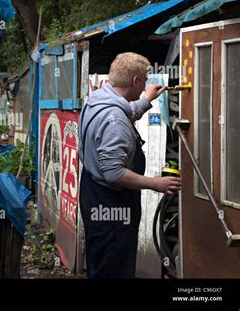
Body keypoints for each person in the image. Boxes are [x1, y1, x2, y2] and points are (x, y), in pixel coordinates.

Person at [78, 52, 182, 278]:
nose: (146, 84)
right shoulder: (114, 120)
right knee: (113, 266)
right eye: (144, 80)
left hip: (93, 192)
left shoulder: (99, 98)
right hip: (111, 201)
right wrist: (155, 183)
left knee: (102, 259)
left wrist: (146, 100)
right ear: (135, 81)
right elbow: (114, 173)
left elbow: (125, 111)